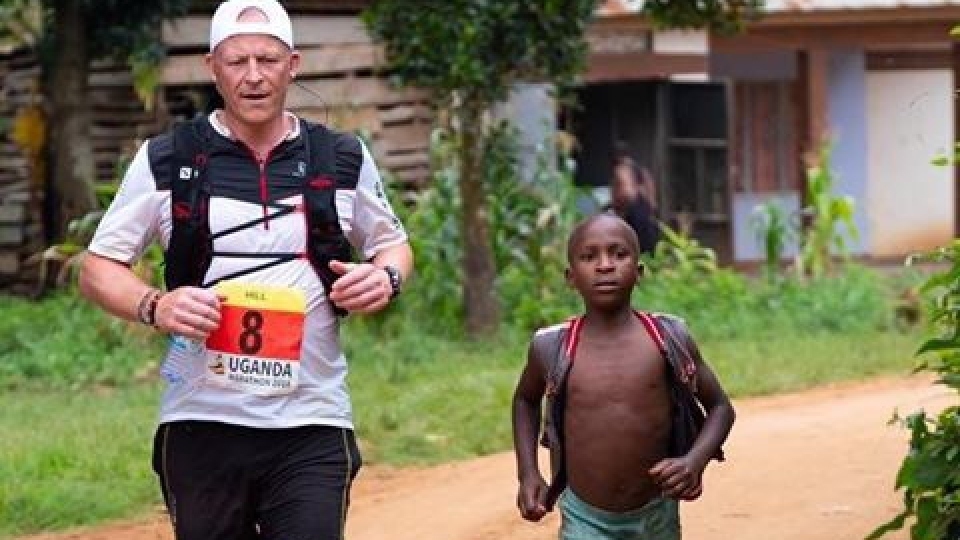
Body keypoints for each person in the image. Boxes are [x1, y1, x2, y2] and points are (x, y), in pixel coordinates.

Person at [78, 1, 413, 539]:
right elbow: (97, 267)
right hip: (201, 420)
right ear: (213, 67)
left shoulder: (341, 157)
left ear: (293, 65)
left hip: (313, 418)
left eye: (268, 59)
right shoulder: (167, 159)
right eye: (237, 62)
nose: (253, 76)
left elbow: (393, 245)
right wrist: (156, 305)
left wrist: (385, 277)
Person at [511, 213, 734, 540]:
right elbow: (524, 401)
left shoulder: (667, 338)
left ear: (639, 271)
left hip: (657, 513)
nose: (605, 265)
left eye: (619, 254)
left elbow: (721, 408)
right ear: (570, 277)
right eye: (589, 257)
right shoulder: (552, 346)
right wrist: (528, 474)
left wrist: (693, 461)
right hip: (584, 516)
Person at [611, 144, 661, 256]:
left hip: (632, 206)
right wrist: (652, 205)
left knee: (633, 238)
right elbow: (650, 186)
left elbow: (625, 191)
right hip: (643, 205)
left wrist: (617, 207)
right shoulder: (640, 168)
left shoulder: (621, 169)